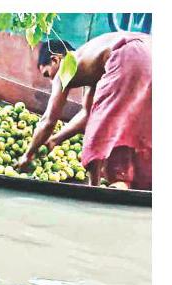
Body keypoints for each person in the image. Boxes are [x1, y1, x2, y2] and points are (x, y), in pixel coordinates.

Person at [16, 33, 152, 189]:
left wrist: (28, 155)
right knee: (134, 123)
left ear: (55, 60)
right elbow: (87, 114)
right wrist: (55, 140)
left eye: (48, 74)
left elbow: (48, 121)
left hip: (130, 55)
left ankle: (94, 187)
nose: (51, 81)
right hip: (151, 52)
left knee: (102, 127)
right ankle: (131, 184)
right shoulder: (92, 63)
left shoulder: (65, 69)